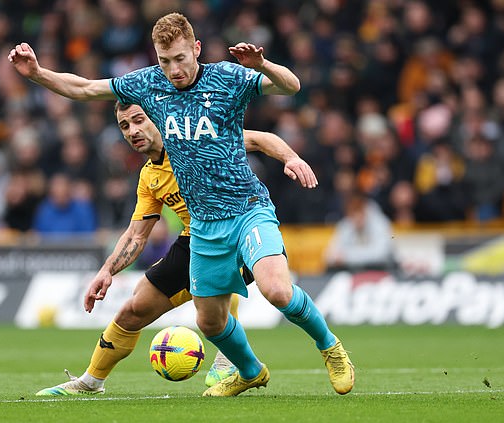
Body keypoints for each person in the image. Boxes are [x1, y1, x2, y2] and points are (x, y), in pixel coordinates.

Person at [9, 12, 354, 396]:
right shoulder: (149, 87)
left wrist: (264, 69)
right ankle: (249, 371)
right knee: (208, 323)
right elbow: (86, 88)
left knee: (277, 291)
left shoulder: (227, 77)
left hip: (247, 208)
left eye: (180, 58)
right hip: (204, 227)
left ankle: (331, 348)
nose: (173, 70)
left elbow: (291, 87)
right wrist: (38, 74)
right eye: (164, 60)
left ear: (196, 49)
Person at [35, 102, 317, 396]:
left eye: (138, 120)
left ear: (158, 119)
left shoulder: (194, 140)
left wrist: (291, 158)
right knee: (135, 309)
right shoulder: (149, 176)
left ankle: (232, 360)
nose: (133, 131)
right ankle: (90, 382)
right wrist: (106, 271)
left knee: (239, 293)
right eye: (125, 126)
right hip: (195, 237)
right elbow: (136, 235)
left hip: (238, 225)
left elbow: (259, 139)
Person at [324, 192, 394, 271]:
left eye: (360, 213)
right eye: (353, 214)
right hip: (353, 273)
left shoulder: (380, 223)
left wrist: (347, 257)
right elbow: (329, 256)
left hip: (382, 272)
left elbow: (381, 254)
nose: (357, 218)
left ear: (365, 211)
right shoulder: (346, 225)